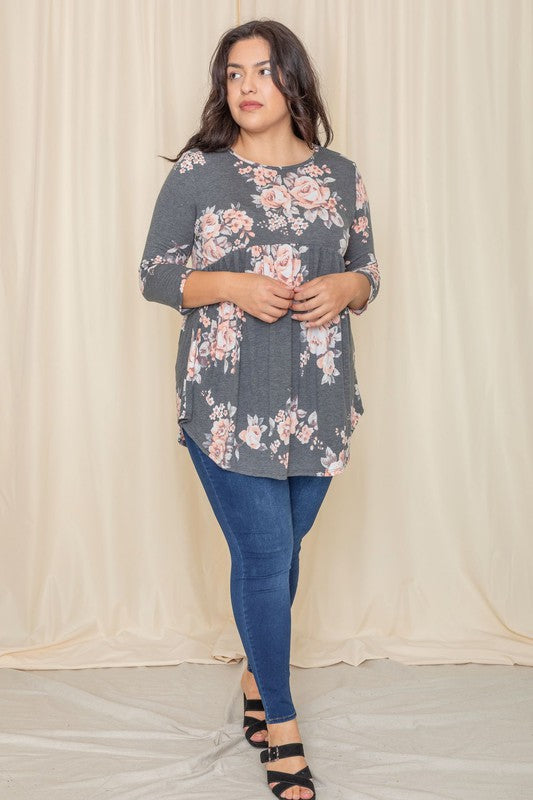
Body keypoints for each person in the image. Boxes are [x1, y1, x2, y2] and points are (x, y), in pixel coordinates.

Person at [138, 18, 380, 800]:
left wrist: (349, 288)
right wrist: (232, 284)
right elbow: (155, 274)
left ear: (294, 84)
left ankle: (253, 672)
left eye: (262, 71)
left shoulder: (341, 175)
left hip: (317, 400)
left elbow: (367, 270)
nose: (245, 86)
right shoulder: (198, 175)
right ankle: (279, 723)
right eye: (233, 73)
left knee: (280, 554)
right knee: (269, 558)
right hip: (226, 400)